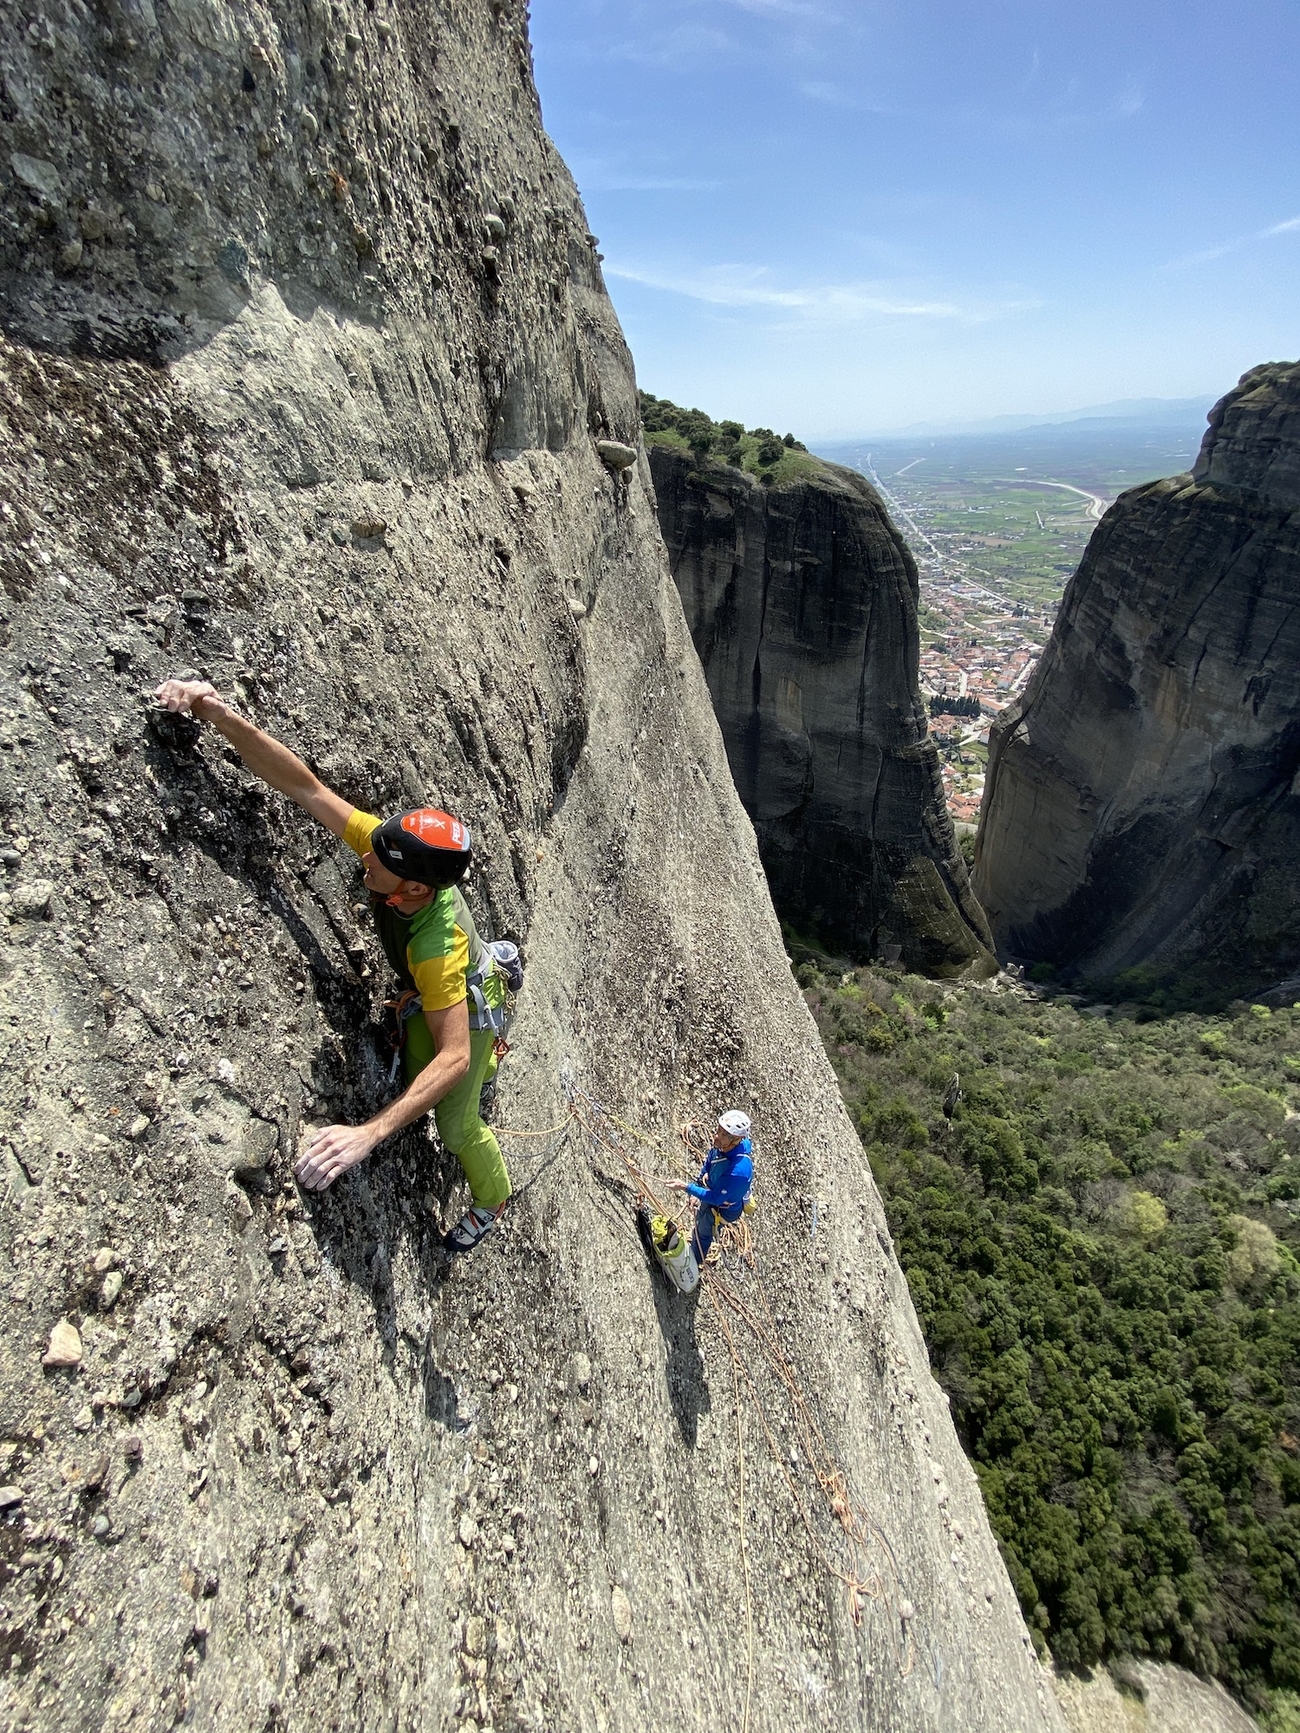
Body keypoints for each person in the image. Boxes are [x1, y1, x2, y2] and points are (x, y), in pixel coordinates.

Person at [153, 677, 512, 1254]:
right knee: (418, 1061)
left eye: (378, 858)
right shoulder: (394, 854)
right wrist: (215, 711)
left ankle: (493, 1195)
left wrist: (366, 1135)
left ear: (416, 887)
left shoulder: (435, 947)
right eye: (372, 844)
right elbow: (306, 787)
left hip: (463, 1015)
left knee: (453, 1123)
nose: (363, 854)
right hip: (437, 999)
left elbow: (454, 1055)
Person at [667, 1110, 753, 1269]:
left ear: (736, 1140)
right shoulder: (722, 1147)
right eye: (718, 1130)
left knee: (704, 1231)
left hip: (723, 1208)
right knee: (700, 1220)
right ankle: (696, 1246)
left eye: (723, 1134)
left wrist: (687, 1187)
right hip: (715, 1192)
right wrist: (698, 1186)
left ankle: (694, 1262)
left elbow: (715, 1199)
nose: (716, 1136)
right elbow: (709, 1162)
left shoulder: (739, 1171)